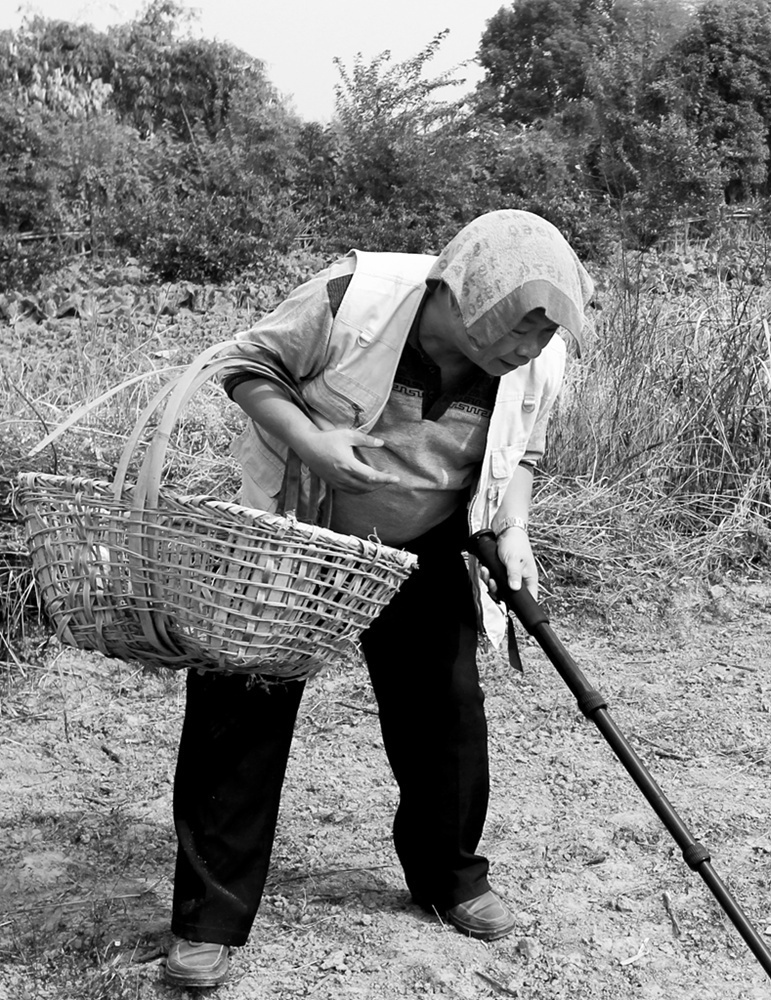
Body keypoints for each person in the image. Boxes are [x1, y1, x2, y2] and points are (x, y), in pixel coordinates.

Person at [163, 209, 594, 988]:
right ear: (474, 298)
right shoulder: (351, 296)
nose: (531, 348)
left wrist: (513, 528)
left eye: (544, 334)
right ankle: (208, 920)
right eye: (521, 328)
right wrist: (313, 443)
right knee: (241, 710)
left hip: (425, 540)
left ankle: (448, 878)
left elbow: (521, 451)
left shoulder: (537, 360)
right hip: (299, 528)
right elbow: (245, 368)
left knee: (446, 711)